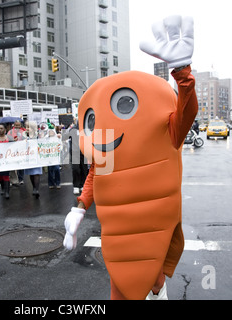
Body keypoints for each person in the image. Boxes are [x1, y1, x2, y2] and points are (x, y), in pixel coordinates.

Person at [63, 16, 198, 300]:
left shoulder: (167, 132)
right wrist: (79, 208)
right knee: (121, 287)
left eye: (125, 105)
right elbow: (96, 173)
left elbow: (186, 113)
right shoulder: (105, 149)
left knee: (153, 287)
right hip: (118, 243)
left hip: (154, 244)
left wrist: (183, 73)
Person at [62, 118, 88, 194]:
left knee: (84, 169)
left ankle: (82, 184)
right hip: (75, 153)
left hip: (84, 152)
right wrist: (62, 131)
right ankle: (76, 186)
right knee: (76, 169)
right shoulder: (73, 129)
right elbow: (65, 137)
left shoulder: (87, 129)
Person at [23, 120, 42, 199]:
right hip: (28, 158)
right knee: (31, 173)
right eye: (26, 127)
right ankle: (34, 187)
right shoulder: (23, 136)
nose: (27, 129)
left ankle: (36, 189)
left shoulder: (38, 136)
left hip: (37, 157)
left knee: (36, 173)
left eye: (29, 127)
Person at [7, 120, 26, 185]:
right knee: (13, 166)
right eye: (16, 125)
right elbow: (7, 139)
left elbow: (25, 139)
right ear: (14, 125)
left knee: (21, 166)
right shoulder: (10, 132)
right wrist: (13, 140)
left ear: (20, 125)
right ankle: (13, 180)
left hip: (21, 151)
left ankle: (21, 179)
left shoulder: (23, 132)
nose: (17, 126)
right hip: (12, 152)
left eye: (18, 125)